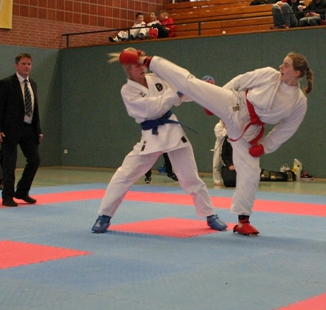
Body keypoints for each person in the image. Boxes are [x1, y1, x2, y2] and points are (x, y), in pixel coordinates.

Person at [119, 50, 313, 236]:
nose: (280, 66)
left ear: (296, 73)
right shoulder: (269, 74)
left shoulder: (298, 101)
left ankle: (243, 221)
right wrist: (215, 99)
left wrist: (265, 146)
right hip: (234, 103)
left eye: (286, 65)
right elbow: (240, 81)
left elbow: (287, 128)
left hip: (249, 130)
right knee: (191, 84)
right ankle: (149, 60)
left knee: (251, 172)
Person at [91, 48, 227, 234]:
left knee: (191, 178)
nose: (142, 68)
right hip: (150, 137)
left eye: (142, 64)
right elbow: (152, 109)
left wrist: (199, 87)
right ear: (128, 70)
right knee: (123, 176)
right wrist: (177, 92)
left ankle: (210, 215)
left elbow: (181, 95)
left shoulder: (156, 79)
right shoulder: (128, 90)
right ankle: (104, 216)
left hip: (173, 133)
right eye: (137, 66)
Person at [0, 53, 42, 207]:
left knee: (35, 160)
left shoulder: (32, 84)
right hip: (10, 129)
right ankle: (7, 196)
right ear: (16, 66)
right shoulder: (6, 83)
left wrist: (38, 129)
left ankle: (22, 191)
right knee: (10, 163)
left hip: (29, 128)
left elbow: (35, 108)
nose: (27, 66)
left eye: (29, 64)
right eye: (23, 64)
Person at [212, 120, 226, 186]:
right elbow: (220, 137)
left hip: (228, 146)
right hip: (219, 146)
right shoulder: (218, 126)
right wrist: (225, 129)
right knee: (216, 164)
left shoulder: (230, 124)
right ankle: (217, 180)